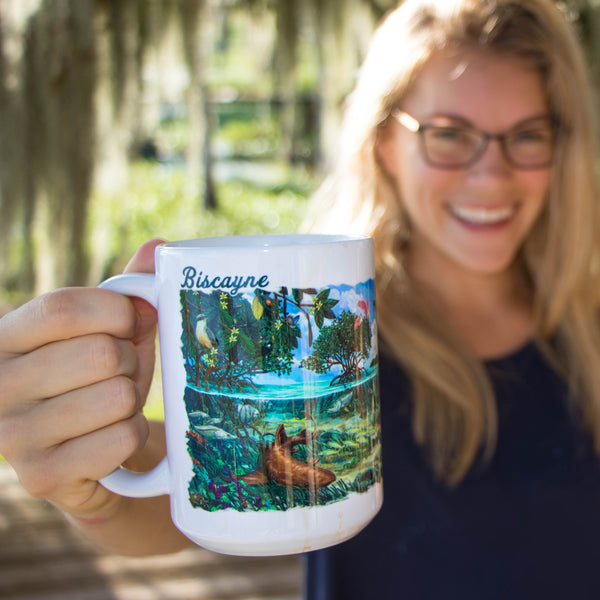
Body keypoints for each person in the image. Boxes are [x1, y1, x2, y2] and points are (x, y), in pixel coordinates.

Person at [1, 0, 600, 596]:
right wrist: (93, 477)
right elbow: (172, 497)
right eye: (449, 134)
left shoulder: (589, 324)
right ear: (385, 142)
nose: (491, 174)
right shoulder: (346, 331)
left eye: (528, 135)